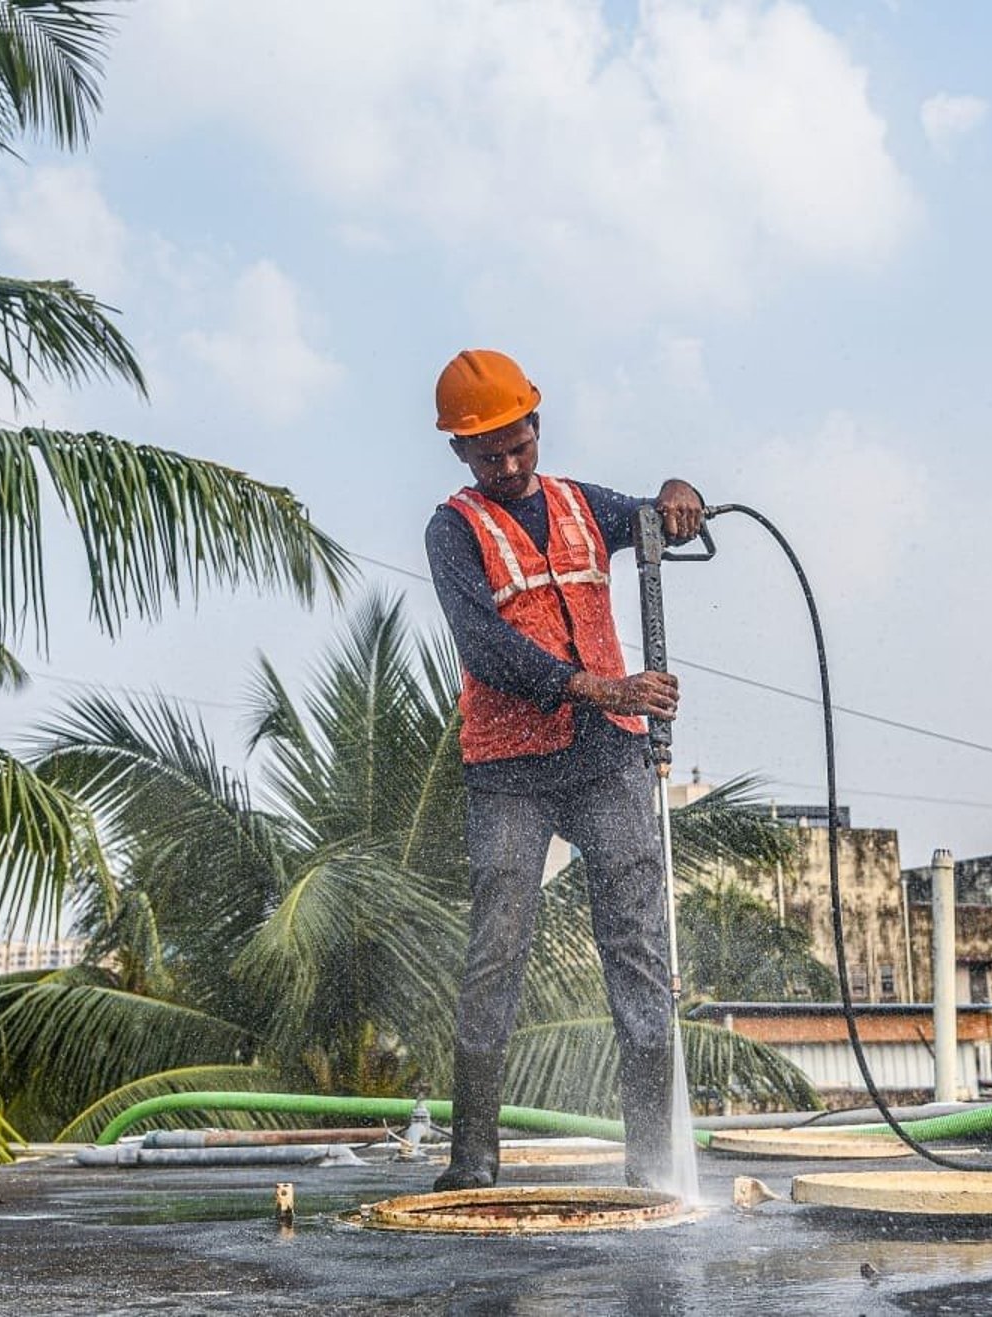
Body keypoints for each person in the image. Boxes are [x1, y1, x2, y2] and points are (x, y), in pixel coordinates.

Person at [423, 348, 705, 1191]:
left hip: (609, 755)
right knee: (497, 950)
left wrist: (677, 493)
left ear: (536, 425)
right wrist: (601, 685)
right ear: (460, 456)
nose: (508, 466)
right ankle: (473, 1166)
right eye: (488, 454)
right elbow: (488, 647)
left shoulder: (583, 505)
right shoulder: (453, 529)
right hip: (510, 767)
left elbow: (659, 515)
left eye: (518, 445)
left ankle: (653, 1167)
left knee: (639, 948)